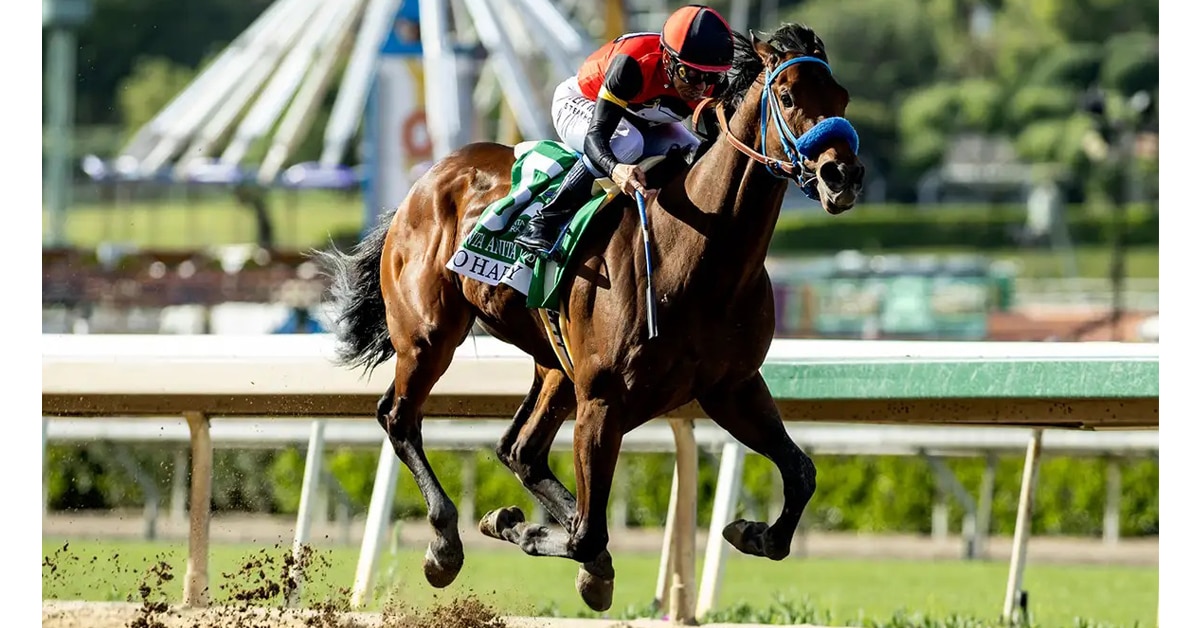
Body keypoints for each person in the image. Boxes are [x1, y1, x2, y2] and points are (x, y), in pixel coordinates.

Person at [513, 4, 735, 260]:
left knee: (693, 152)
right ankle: (544, 221)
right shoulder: (632, 64)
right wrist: (617, 170)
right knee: (627, 143)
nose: (701, 87)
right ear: (667, 60)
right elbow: (596, 137)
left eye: (712, 77)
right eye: (691, 74)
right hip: (582, 102)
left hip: (643, 119)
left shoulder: (711, 85)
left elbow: (716, 144)